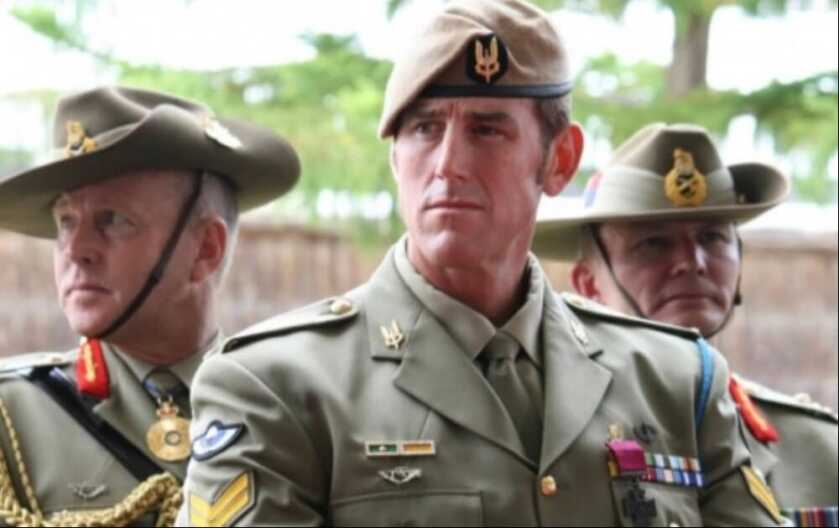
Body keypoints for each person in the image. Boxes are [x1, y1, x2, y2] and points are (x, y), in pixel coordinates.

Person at [179, 1, 783, 526]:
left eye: (487, 130)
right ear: (394, 158)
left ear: (559, 160)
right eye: (424, 129)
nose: (448, 164)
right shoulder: (276, 387)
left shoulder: (677, 382)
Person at [0, 86, 299, 526]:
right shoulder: (13, 416)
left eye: (113, 220)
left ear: (205, 249)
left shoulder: (292, 409)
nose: (76, 249)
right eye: (66, 221)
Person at [533, 122, 838, 526]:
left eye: (712, 238)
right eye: (654, 244)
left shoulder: (817, 446)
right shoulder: (546, 443)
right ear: (589, 284)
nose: (692, 262)